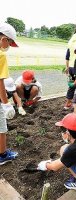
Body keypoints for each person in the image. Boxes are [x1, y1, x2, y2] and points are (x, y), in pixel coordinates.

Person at [0, 23, 18, 165]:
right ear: (3, 39)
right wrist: (6, 104)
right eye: (10, 41)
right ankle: (2, 155)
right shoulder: (1, 55)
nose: (9, 45)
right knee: (1, 127)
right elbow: (0, 82)